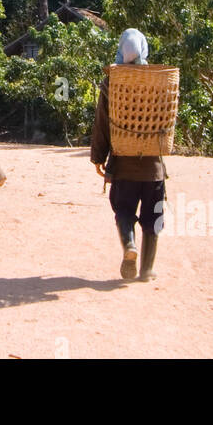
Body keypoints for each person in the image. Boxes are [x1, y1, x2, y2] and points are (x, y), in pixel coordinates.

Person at [90, 28, 166, 281]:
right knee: (153, 217)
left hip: (123, 163)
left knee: (123, 210)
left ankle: (129, 245)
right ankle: (147, 269)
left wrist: (98, 156)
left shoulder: (113, 80)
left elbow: (102, 121)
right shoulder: (159, 78)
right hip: (153, 165)